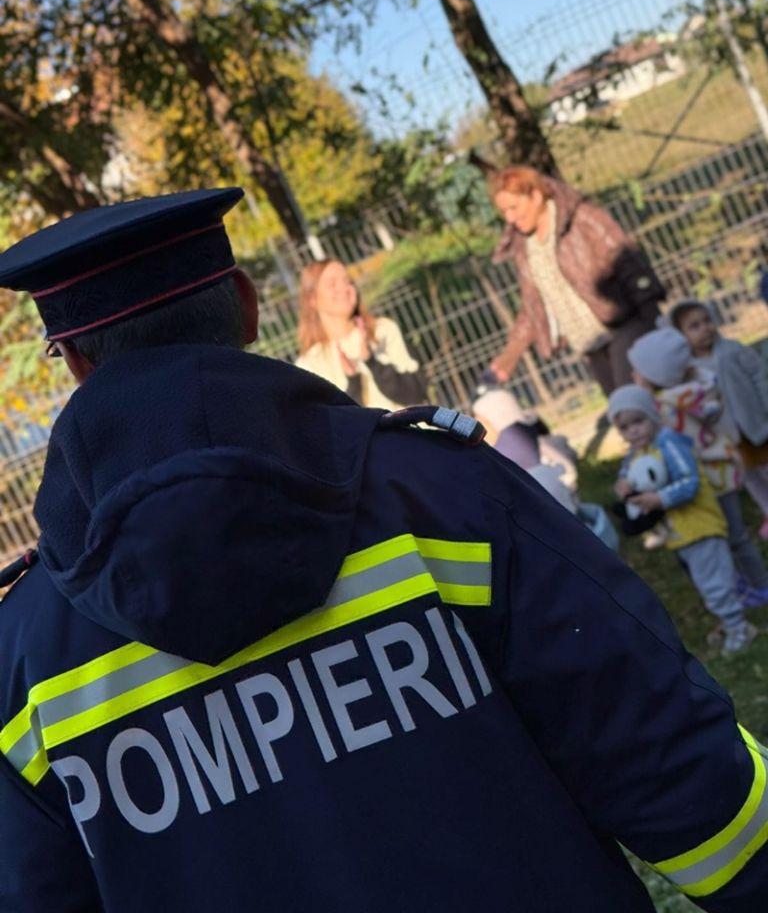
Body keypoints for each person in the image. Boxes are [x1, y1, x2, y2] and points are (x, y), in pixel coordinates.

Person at [0, 189, 767, 913]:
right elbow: (664, 753)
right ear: (246, 305)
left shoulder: (24, 655)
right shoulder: (449, 494)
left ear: (73, 360)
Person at [486, 165, 665, 397]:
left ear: (536, 196)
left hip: (622, 326)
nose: (510, 218)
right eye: (504, 212)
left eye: (513, 207)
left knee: (633, 403)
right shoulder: (524, 246)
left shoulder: (581, 218)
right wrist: (511, 353)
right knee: (624, 410)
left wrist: (652, 317)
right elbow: (534, 305)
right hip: (588, 342)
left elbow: (626, 261)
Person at [608, 385, 756, 655]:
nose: (633, 432)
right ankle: (729, 620)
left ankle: (739, 627)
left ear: (652, 415)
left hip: (699, 526)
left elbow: (690, 482)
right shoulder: (638, 451)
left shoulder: (669, 442)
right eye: (624, 428)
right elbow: (628, 472)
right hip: (679, 533)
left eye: (638, 421)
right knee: (707, 580)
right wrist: (623, 485)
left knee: (713, 582)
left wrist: (660, 498)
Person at [628, 327, 768, 605]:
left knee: (724, 539)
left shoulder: (666, 409)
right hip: (723, 472)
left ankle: (755, 587)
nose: (633, 375)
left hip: (704, 480)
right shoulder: (699, 391)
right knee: (736, 536)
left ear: (657, 375)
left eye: (638, 371)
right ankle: (756, 583)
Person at [667, 298, 768, 542]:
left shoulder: (733, 350)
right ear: (681, 336)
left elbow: (760, 377)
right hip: (725, 435)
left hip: (756, 425)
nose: (705, 328)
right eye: (694, 326)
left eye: (707, 321)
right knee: (749, 476)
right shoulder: (689, 370)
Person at [295, 258, 427, 409]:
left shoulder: (383, 329)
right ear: (312, 299)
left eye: (348, 281)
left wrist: (372, 362)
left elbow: (416, 393)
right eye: (332, 284)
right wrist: (353, 381)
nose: (344, 288)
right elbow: (339, 421)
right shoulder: (310, 364)